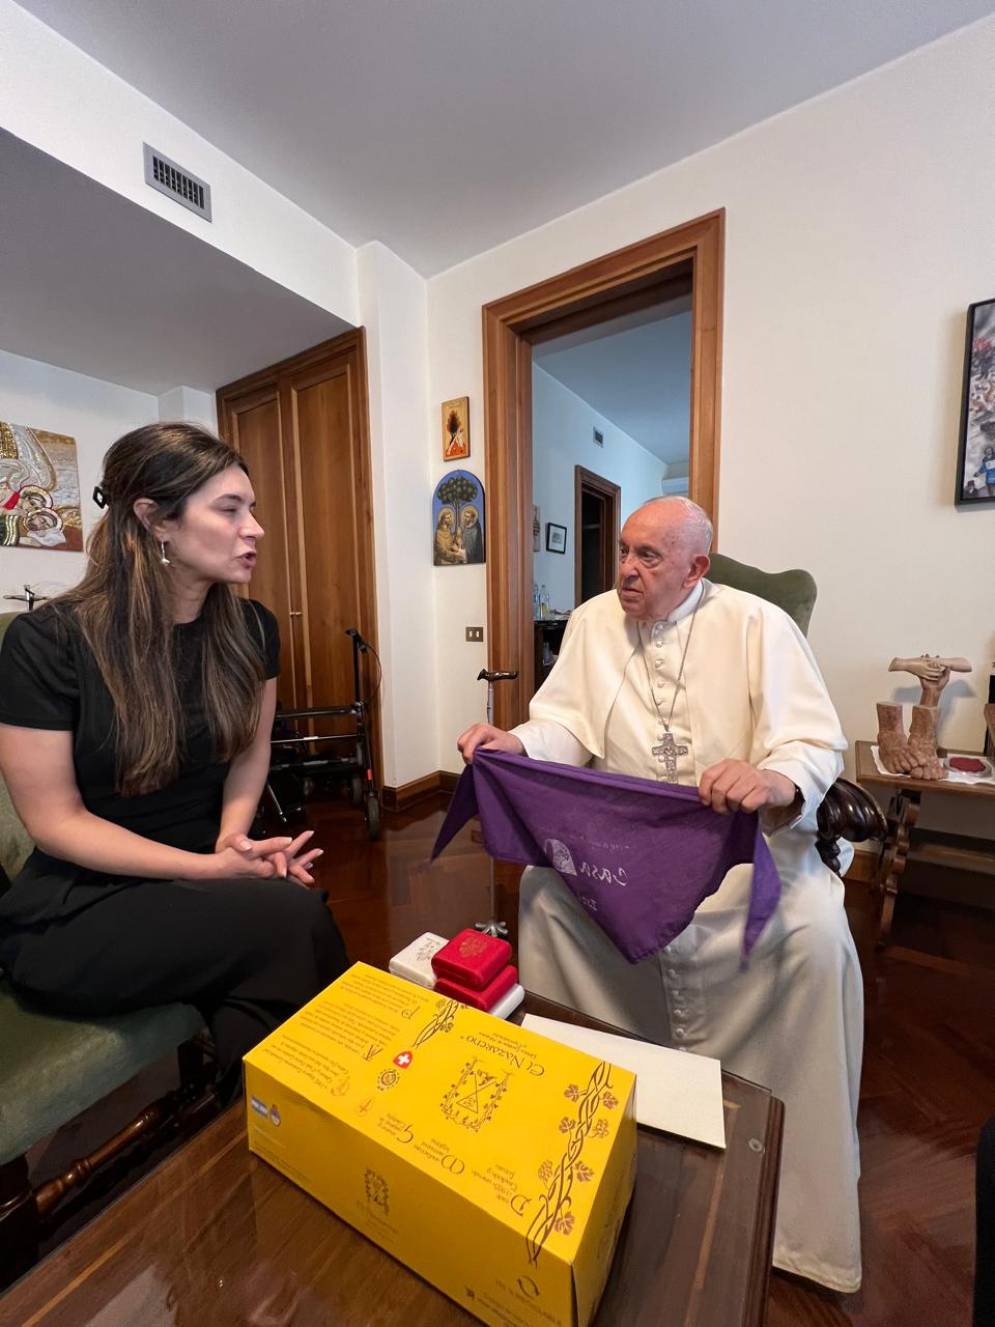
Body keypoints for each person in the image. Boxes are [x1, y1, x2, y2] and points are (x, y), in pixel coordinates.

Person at [458, 495, 862, 1293]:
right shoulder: (591, 621)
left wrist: (772, 776)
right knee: (543, 899)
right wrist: (518, 742)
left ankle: (788, 1208)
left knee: (814, 931)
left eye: (648, 557)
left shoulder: (758, 627)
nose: (626, 572)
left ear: (696, 568)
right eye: (623, 554)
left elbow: (811, 740)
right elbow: (565, 725)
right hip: (626, 853)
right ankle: (583, 1146)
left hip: (739, 857)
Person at [0, 422, 348, 1103]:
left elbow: (250, 752)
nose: (256, 528)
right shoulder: (47, 642)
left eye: (251, 508)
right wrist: (213, 871)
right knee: (293, 922)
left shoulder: (252, 630)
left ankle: (269, 1134)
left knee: (268, 978)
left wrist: (233, 840)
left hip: (200, 874)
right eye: (229, 508)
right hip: (82, 901)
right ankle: (326, 1119)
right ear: (154, 520)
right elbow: (54, 822)